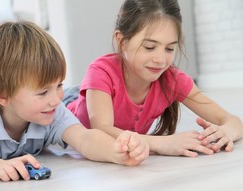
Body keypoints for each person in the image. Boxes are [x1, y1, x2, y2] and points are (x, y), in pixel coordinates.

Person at [0, 21, 149, 181]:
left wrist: (116, 153)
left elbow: (83, 138)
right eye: (43, 92)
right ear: (3, 96)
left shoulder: (51, 109)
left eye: (60, 85)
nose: (56, 99)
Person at [66, 0, 243, 157]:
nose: (160, 59)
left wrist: (226, 131)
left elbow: (233, 120)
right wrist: (161, 143)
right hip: (69, 104)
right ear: (121, 41)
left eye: (169, 49)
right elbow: (101, 132)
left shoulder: (171, 79)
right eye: (150, 47)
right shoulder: (101, 71)